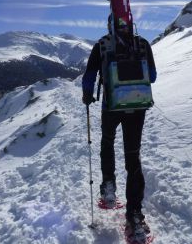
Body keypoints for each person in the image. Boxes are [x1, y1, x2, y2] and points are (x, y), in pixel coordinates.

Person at [81, 15, 157, 233]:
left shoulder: (101, 45)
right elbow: (152, 76)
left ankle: (108, 187)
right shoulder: (142, 43)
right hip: (137, 107)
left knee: (107, 142)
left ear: (109, 25)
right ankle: (134, 215)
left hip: (111, 106)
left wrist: (87, 94)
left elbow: (89, 76)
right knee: (133, 155)